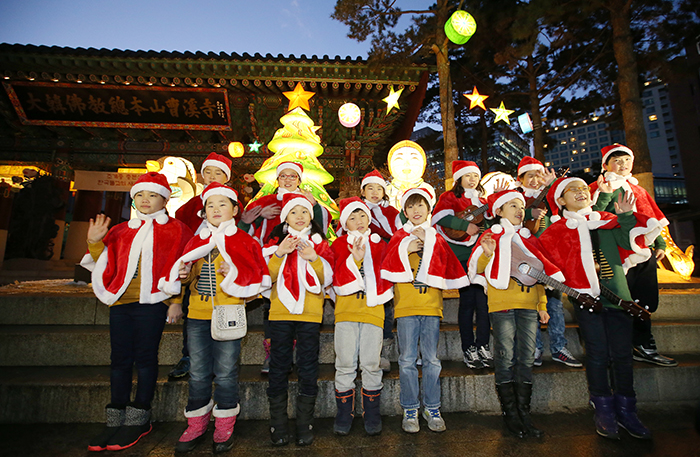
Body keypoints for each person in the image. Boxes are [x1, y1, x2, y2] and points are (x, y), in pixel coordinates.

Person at [539, 176, 661, 440]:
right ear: (560, 200)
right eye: (574, 190)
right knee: (596, 354)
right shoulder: (557, 230)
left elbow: (632, 243)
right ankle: (603, 407)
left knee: (622, 355)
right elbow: (545, 261)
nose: (582, 192)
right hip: (587, 301)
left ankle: (628, 409)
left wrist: (627, 217)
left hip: (619, 297)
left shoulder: (606, 219)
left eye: (585, 188)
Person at [81, 172, 193, 452]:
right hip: (120, 302)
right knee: (119, 358)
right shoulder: (121, 229)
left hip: (154, 302)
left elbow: (185, 268)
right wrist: (96, 242)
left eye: (152, 195)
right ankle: (115, 415)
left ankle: (140, 416)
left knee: (145, 357)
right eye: (141, 195)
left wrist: (176, 300)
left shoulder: (178, 229)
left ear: (164, 199)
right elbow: (105, 263)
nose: (145, 200)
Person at [161, 183, 271, 453]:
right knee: (198, 373)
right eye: (210, 205)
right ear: (204, 212)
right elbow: (181, 274)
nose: (216, 209)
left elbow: (256, 280)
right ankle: (196, 423)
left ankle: (224, 423)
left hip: (229, 313)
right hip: (198, 314)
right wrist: (182, 283)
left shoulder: (245, 241)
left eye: (222, 204)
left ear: (235, 209)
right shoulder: (196, 240)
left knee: (225, 373)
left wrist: (234, 272)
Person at [468, 189, 563, 439]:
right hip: (502, 305)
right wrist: (488, 255)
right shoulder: (492, 236)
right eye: (512, 206)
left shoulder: (529, 238)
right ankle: (510, 415)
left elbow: (539, 272)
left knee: (526, 358)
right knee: (505, 356)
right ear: (498, 211)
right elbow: (475, 271)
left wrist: (542, 305)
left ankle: (524, 413)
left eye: (521, 206)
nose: (519, 210)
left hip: (529, 305)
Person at [380, 187, 468, 434]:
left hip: (431, 306)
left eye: (420, 206)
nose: (416, 211)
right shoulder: (398, 237)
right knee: (407, 360)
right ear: (405, 211)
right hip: (406, 307)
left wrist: (427, 240)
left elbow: (445, 262)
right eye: (410, 206)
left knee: (431, 359)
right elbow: (388, 265)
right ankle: (410, 408)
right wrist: (406, 247)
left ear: (428, 209)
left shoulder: (436, 237)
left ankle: (432, 406)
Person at [240, 162, 331, 374]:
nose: (288, 180)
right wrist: (258, 215)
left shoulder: (307, 201)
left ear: (299, 180)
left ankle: (301, 353)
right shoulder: (264, 202)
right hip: (274, 259)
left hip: (303, 260)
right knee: (270, 306)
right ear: (277, 179)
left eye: (293, 176)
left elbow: (321, 225)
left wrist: (315, 205)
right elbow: (244, 228)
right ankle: (273, 353)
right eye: (283, 176)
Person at [589, 144, 675, 367]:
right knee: (616, 300)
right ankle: (616, 346)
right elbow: (592, 217)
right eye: (616, 160)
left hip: (641, 251)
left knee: (644, 298)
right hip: (613, 252)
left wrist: (660, 242)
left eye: (627, 160)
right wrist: (605, 196)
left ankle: (643, 344)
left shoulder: (638, 189)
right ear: (605, 165)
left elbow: (651, 217)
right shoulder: (597, 186)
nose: (622, 164)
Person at [262, 193, 334, 446]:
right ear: (285, 218)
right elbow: (264, 278)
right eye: (294, 212)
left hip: (310, 313)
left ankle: (305, 423)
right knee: (279, 366)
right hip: (280, 312)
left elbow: (328, 278)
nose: (300, 216)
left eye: (305, 212)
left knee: (308, 366)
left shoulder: (320, 243)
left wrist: (314, 258)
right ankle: (278, 423)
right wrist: (280, 254)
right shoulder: (274, 244)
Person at [330, 197, 393, 436]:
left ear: (369, 219)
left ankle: (372, 413)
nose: (358, 222)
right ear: (345, 222)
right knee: (344, 363)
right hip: (346, 312)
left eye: (362, 216)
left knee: (371, 363)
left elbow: (388, 271)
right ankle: (344, 414)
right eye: (352, 218)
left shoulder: (380, 244)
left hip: (373, 312)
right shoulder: (337, 245)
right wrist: (354, 258)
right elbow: (335, 277)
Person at [170, 152, 233, 379]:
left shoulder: (233, 202)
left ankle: (219, 359)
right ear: (201, 174)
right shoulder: (191, 205)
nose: (213, 176)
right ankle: (189, 356)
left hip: (223, 268)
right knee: (192, 312)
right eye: (208, 172)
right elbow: (180, 228)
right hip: (195, 267)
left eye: (219, 173)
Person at [516, 156, 582, 368]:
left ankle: (559, 347)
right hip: (525, 255)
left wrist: (552, 185)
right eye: (530, 176)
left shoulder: (551, 197)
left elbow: (565, 207)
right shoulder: (515, 197)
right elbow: (503, 214)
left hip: (550, 257)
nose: (535, 180)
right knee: (530, 303)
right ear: (520, 179)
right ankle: (534, 347)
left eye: (538, 175)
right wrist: (528, 212)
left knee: (554, 301)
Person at [432, 160, 492, 370]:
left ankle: (483, 345)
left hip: (480, 255)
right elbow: (439, 218)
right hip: (461, 255)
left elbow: (492, 223)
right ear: (459, 178)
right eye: (468, 176)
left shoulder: (483, 200)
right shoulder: (449, 197)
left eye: (475, 176)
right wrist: (464, 225)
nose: (472, 179)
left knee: (483, 303)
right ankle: (468, 348)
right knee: (467, 302)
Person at [356, 170, 401, 372]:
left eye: (379, 188)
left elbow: (398, 236)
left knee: (385, 304)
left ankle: (381, 349)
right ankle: (361, 351)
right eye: (370, 188)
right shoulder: (356, 210)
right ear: (363, 191)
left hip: (384, 263)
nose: (375, 192)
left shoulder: (392, 212)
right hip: (362, 263)